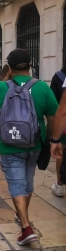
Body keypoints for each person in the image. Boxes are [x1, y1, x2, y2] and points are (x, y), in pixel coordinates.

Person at [0, 48, 58, 245]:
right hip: (35, 142)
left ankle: (26, 228)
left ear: (9, 67)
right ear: (30, 66)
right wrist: (52, 140)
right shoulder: (42, 88)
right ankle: (22, 215)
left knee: (16, 184)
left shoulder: (2, 87)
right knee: (27, 181)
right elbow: (52, 117)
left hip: (10, 144)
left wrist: (3, 82)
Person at [49, 63, 66, 196]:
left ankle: (60, 184)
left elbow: (59, 108)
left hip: (64, 126)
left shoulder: (58, 77)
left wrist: (55, 139)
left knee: (61, 152)